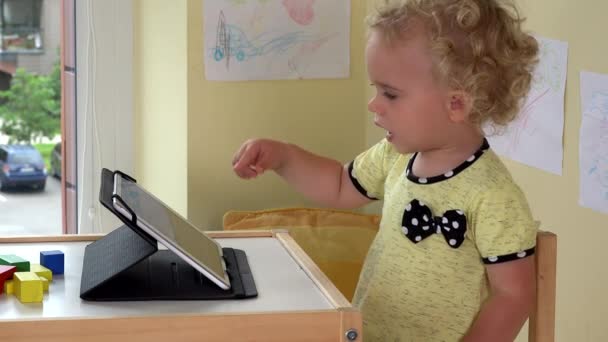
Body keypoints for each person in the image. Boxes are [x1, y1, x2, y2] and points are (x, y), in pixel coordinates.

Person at [232, 0, 540, 340]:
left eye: (390, 94)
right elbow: (337, 184)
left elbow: (513, 296)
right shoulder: (395, 156)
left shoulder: (493, 195)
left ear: (456, 103)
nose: (373, 104)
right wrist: (284, 157)